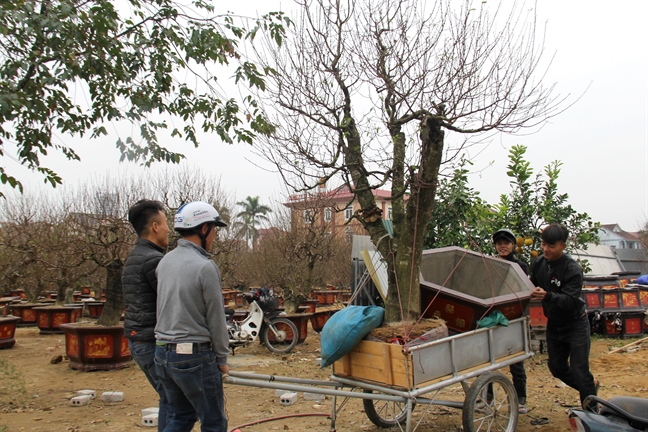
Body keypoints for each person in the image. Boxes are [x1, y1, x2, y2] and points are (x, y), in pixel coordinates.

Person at [154, 201, 230, 432]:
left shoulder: (164, 262)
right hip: (193, 356)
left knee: (181, 416)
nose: (215, 236)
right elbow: (215, 317)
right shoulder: (204, 266)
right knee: (214, 423)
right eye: (215, 230)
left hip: (162, 352)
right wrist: (222, 358)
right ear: (204, 228)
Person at [530, 223, 598, 410]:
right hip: (554, 324)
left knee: (580, 370)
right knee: (556, 368)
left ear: (563, 246)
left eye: (551, 246)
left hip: (575, 324)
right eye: (543, 244)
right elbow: (530, 284)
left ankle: (591, 414)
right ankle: (590, 390)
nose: (546, 249)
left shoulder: (572, 269)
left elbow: (570, 299)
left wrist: (547, 295)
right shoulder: (539, 263)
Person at [122, 199, 171, 431]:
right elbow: (170, 301)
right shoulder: (153, 260)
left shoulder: (136, 255)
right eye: (165, 223)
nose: (168, 229)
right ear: (154, 226)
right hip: (149, 341)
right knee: (174, 400)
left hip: (138, 338)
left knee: (171, 399)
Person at [492, 228, 529, 414]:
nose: (502, 246)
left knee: (516, 360)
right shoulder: (490, 263)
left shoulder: (520, 266)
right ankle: (487, 398)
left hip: (513, 315)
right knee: (487, 359)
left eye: (506, 243)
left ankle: (520, 399)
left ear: (513, 245)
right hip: (494, 316)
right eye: (499, 243)